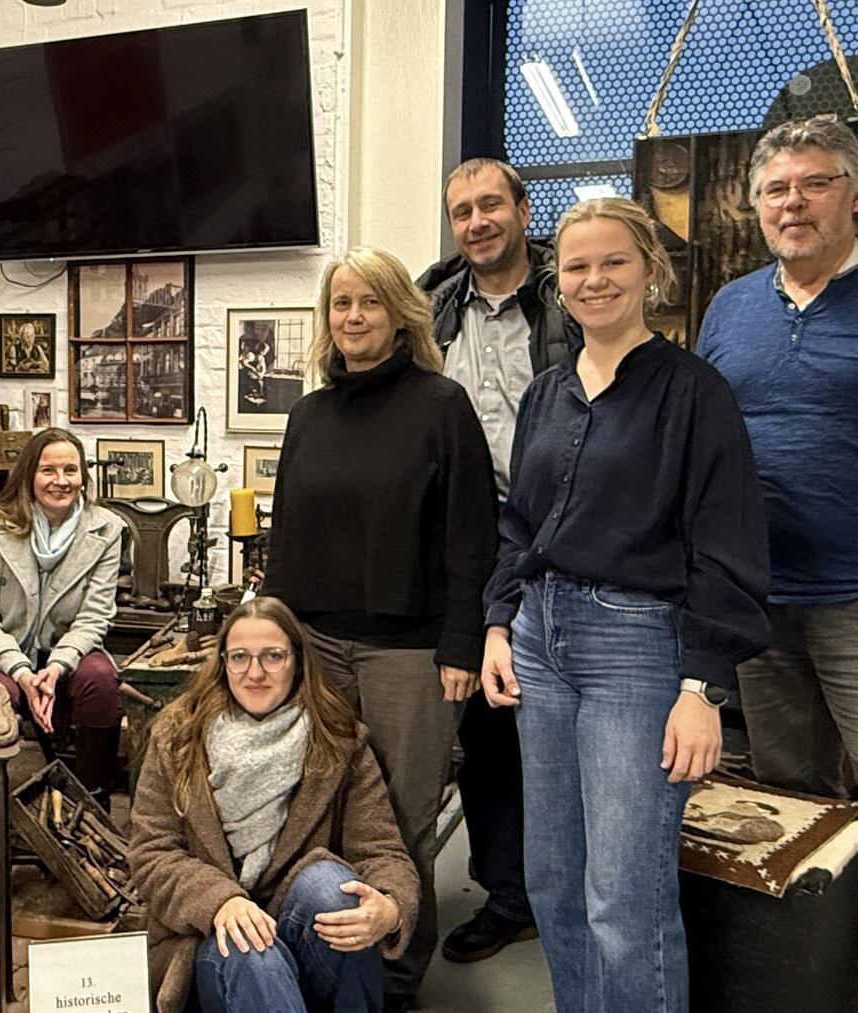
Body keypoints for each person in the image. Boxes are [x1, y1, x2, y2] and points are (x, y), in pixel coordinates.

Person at [480, 197, 770, 1013]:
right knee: (554, 884)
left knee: (624, 899)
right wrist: (500, 620)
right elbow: (519, 524)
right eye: (577, 266)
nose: (594, 279)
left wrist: (700, 686)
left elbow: (726, 542)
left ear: (651, 271)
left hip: (637, 652)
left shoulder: (692, 392)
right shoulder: (545, 394)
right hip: (540, 640)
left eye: (613, 261)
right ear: (557, 281)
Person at [262, 247, 498, 1010]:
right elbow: (286, 532)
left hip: (411, 648)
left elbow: (472, 535)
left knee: (400, 816)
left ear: (400, 312)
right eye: (341, 304)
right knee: (316, 804)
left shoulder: (441, 404)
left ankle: (396, 976)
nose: (353, 316)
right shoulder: (308, 413)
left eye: (368, 302)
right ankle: (328, 956)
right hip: (315, 642)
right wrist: (270, 637)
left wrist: (463, 640)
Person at [417, 157, 583, 963]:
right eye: (461, 211)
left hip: (559, 531)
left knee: (561, 724)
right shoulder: (433, 309)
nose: (477, 221)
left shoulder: (564, 299)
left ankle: (571, 893)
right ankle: (507, 892)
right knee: (486, 729)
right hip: (467, 539)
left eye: (491, 205)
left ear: (523, 208)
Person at [128, 596, 419, 1013]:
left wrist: (390, 908)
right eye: (240, 657)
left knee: (338, 893)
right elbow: (151, 854)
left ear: (298, 661)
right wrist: (220, 901)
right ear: (222, 662)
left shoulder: (338, 739)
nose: (255, 673)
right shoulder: (178, 737)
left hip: (301, 926)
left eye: (273, 656)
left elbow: (382, 850)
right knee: (251, 949)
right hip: (211, 940)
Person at [696, 114, 858, 798]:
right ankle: (824, 914)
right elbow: (703, 438)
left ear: (853, 194)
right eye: (775, 189)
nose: (793, 201)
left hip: (853, 596)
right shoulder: (729, 307)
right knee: (792, 793)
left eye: (814, 183)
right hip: (759, 598)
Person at [0, 427, 125, 802]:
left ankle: (90, 801)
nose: (60, 481)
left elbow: (95, 616)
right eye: (48, 471)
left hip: (60, 652)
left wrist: (56, 667)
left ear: (83, 476)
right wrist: (22, 673)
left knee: (101, 680)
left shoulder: (106, 529)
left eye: (70, 471)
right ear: (28, 475)